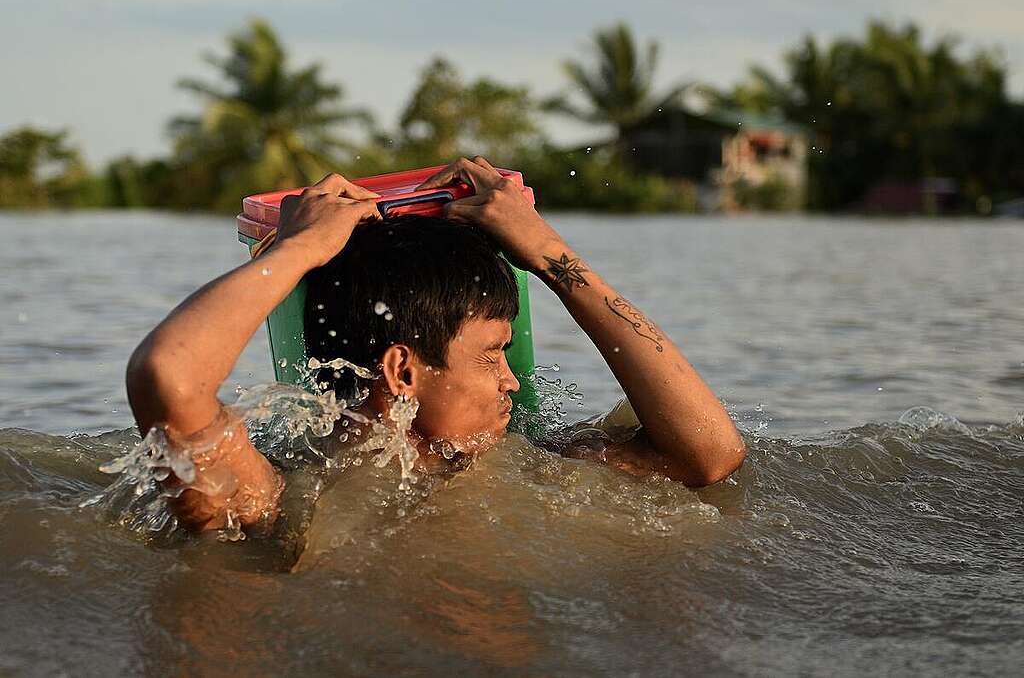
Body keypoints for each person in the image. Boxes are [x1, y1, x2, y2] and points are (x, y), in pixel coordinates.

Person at [125, 157, 746, 534]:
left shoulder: (535, 465)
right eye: (490, 354)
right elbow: (167, 374)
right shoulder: (281, 500)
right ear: (401, 371)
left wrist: (548, 254)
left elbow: (710, 456)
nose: (512, 381)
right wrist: (302, 249)